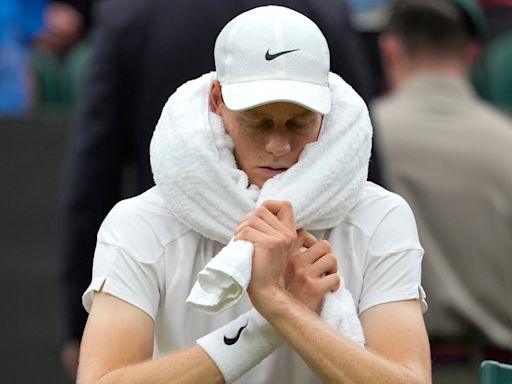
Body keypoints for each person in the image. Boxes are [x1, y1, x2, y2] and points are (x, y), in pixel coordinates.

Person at [77, 6, 430, 384]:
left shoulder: (381, 216)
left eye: (299, 123)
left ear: (326, 110)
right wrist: (269, 323)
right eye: (257, 122)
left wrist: (279, 306)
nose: (278, 145)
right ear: (217, 100)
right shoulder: (139, 223)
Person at [372, 0, 512, 362]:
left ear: (390, 48)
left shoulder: (363, 136)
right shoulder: (506, 140)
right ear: (474, 52)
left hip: (394, 365)